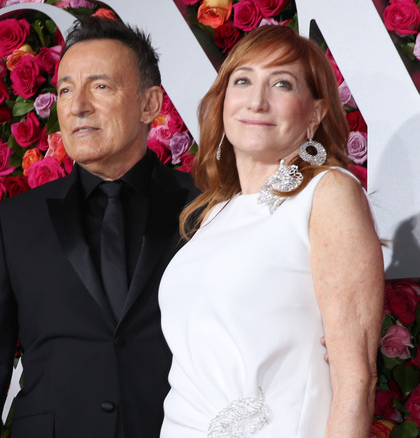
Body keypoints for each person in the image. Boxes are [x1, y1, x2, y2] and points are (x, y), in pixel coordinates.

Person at [0, 16, 198, 438]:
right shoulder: (15, 222)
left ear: (150, 104)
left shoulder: (206, 208)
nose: (78, 106)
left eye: (100, 86)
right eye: (64, 90)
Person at [158, 25, 384, 437]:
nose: (257, 101)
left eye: (281, 83)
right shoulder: (215, 212)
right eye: (242, 80)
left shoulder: (328, 192)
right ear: (224, 100)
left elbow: (356, 381)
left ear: (314, 113)